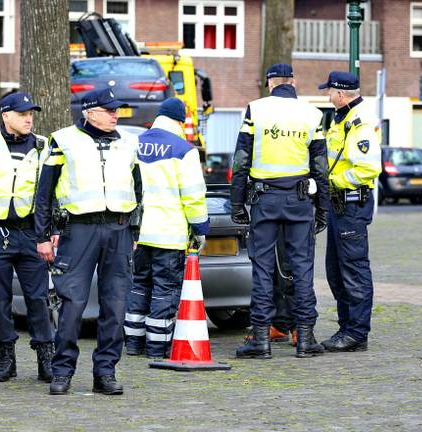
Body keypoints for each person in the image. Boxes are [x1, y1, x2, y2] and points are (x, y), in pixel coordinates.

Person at [34, 88, 142, 395]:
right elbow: (44, 192)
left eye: (116, 109)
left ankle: (105, 372)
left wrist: (134, 230)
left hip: (118, 229)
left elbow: (139, 188)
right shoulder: (63, 140)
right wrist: (43, 236)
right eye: (109, 110)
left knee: (116, 305)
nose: (115, 115)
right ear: (90, 112)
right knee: (72, 303)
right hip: (78, 230)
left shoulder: (128, 142)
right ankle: (62, 371)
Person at [230, 64, 329, 359]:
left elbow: (240, 161)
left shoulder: (256, 110)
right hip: (300, 202)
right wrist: (322, 208)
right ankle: (306, 338)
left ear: (270, 83)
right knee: (302, 268)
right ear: (294, 83)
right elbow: (321, 169)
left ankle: (261, 339)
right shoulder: (313, 114)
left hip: (265, 200)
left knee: (262, 268)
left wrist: (237, 205)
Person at [0, 92, 55, 383]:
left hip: (31, 232)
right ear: (6, 116)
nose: (29, 118)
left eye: (31, 113)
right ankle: (6, 357)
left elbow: (50, 194)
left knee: (38, 298)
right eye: (22, 113)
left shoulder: (43, 146)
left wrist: (51, 231)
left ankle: (46, 355)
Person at [123, 98, 209, 359]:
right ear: (179, 121)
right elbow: (193, 196)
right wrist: (199, 228)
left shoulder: (133, 145)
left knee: (139, 285)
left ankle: (134, 343)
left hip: (138, 234)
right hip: (169, 235)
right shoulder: (184, 150)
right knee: (165, 289)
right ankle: (157, 347)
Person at [318, 71, 382, 352]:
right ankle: (348, 328)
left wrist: (332, 182)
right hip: (339, 205)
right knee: (336, 271)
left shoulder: (359, 124)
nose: (327, 95)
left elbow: (369, 169)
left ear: (341, 94)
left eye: (329, 91)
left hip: (351, 205)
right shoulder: (340, 119)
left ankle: (356, 333)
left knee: (353, 270)